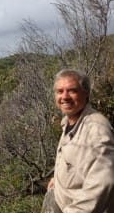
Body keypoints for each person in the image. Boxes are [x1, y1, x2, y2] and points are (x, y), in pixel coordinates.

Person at [41, 69, 114, 213]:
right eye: (60, 91)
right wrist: (57, 178)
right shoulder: (68, 123)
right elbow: (76, 161)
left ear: (86, 93)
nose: (65, 97)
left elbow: (103, 183)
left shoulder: (96, 128)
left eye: (72, 91)